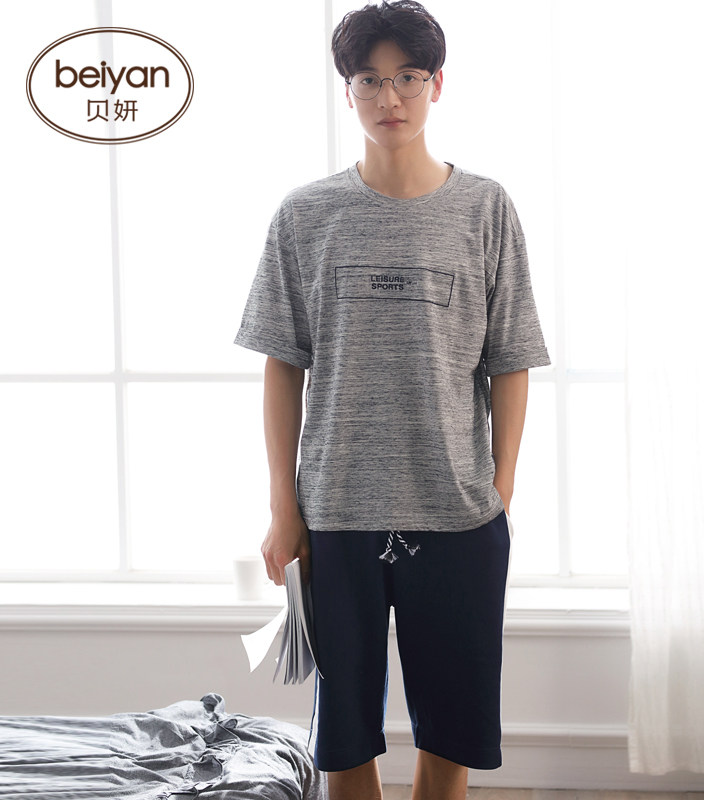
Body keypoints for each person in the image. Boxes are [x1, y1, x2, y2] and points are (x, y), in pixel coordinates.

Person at [233, 2, 551, 798]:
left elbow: (511, 360)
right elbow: (282, 366)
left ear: (437, 84)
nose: (389, 98)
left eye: (407, 77)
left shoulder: (485, 208)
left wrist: (500, 489)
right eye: (369, 81)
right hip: (336, 512)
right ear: (347, 92)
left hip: (459, 513)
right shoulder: (305, 214)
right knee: (343, 740)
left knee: (454, 727)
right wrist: (283, 509)